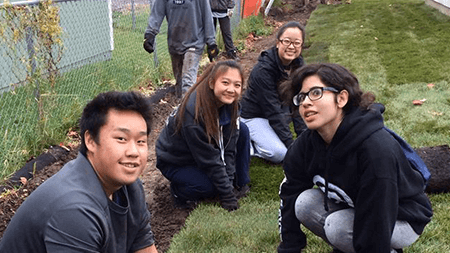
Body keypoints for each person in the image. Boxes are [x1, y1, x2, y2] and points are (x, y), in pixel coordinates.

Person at [277, 63, 433, 253]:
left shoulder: (375, 150)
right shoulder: (306, 144)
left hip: (402, 216)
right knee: (304, 202)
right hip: (358, 205)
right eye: (301, 97)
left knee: (338, 227)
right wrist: (290, 247)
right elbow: (290, 193)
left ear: (341, 98)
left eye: (316, 93)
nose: (306, 102)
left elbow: (378, 217)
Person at [0, 91, 158, 253]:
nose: (133, 152)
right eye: (121, 139)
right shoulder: (74, 209)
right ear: (90, 141)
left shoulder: (131, 188)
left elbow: (144, 248)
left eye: (140, 141)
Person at [156, 60, 250, 211]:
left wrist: (230, 185)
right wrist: (226, 196)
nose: (231, 89)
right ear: (212, 83)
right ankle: (178, 191)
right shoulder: (193, 113)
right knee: (209, 188)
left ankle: (241, 182)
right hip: (177, 160)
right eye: (225, 82)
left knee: (243, 130)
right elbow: (210, 160)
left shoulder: (231, 103)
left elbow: (229, 148)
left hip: (201, 151)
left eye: (237, 85)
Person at [240, 21, 307, 164]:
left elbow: (298, 103)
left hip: (278, 111)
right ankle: (247, 142)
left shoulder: (299, 66)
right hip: (254, 115)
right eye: (287, 41)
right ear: (278, 43)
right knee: (280, 154)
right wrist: (292, 147)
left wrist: (305, 138)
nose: (291, 47)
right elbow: (272, 111)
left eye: (296, 43)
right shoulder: (263, 71)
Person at [143, 0, 218, 98]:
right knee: (179, 82)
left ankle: (187, 111)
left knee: (188, 82)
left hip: (194, 42)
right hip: (175, 43)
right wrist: (150, 34)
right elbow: (157, 12)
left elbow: (207, 16)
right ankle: (180, 107)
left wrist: (211, 42)